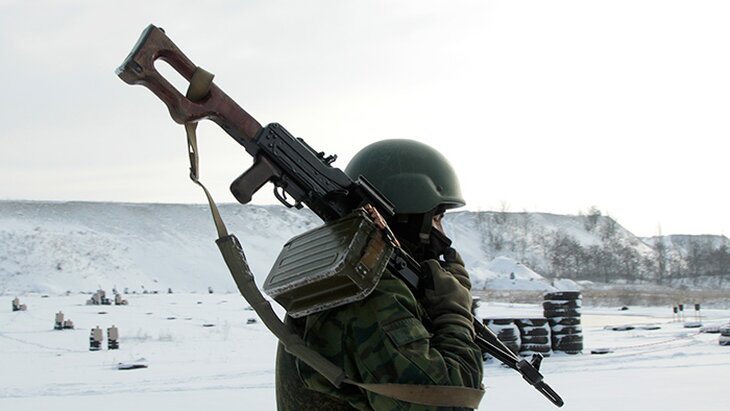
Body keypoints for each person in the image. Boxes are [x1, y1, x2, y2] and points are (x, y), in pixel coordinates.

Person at [275, 139, 483, 410]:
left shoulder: (351, 273)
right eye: (436, 218)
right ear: (408, 216)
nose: (442, 235)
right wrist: (454, 312)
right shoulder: (371, 293)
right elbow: (452, 401)